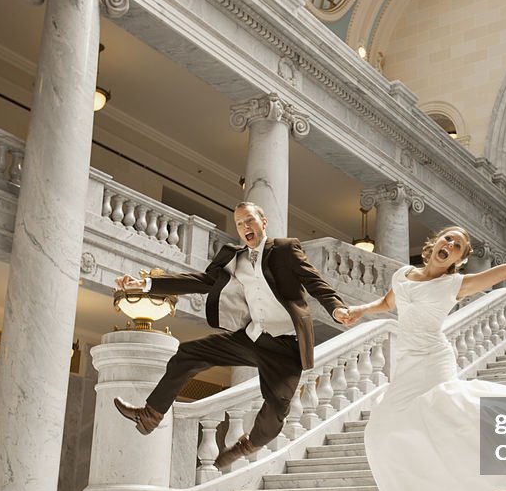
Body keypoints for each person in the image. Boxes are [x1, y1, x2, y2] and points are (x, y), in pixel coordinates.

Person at [342, 214, 506, 491]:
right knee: (379, 431)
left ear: (460, 260)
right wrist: (359, 310)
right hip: (406, 362)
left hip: (434, 359)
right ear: (434, 243)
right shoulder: (403, 274)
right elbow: (387, 302)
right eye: (447, 239)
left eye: (458, 246)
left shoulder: (455, 284)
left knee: (450, 410)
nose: (449, 245)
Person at [113, 201, 352, 468]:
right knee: (188, 354)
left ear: (263, 222)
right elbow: (200, 282)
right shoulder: (232, 257)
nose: (245, 227)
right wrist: (146, 285)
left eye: (249, 220)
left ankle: (248, 444)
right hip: (252, 337)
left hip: (286, 345)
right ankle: (150, 415)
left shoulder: (285, 250)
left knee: (276, 408)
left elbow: (314, 283)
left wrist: (337, 308)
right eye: (239, 224)